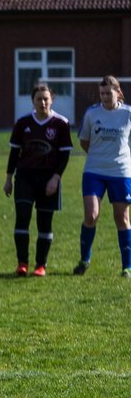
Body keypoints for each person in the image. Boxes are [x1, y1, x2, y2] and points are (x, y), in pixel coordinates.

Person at [3, 82, 72, 276]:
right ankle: (22, 263)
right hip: (25, 177)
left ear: (52, 100)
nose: (42, 102)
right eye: (38, 99)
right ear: (32, 101)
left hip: (49, 179)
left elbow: (64, 155)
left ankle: (41, 265)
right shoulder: (22, 123)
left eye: (46, 99)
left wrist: (56, 178)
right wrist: (9, 179)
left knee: (44, 222)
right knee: (22, 217)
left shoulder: (61, 123)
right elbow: (14, 153)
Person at [73, 75, 131, 276]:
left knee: (122, 218)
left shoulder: (128, 114)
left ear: (118, 93)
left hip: (120, 172)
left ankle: (127, 267)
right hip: (94, 171)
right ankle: (84, 260)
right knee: (91, 215)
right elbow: (84, 141)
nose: (105, 97)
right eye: (102, 94)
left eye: (109, 93)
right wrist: (99, 157)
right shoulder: (92, 113)